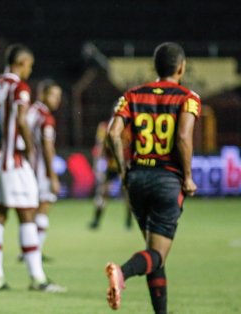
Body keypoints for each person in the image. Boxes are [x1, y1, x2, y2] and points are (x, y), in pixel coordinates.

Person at [105, 42, 200, 313]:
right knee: (157, 254)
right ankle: (121, 272)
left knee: (154, 254)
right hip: (167, 181)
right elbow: (183, 136)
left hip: (137, 179)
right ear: (181, 67)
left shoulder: (133, 94)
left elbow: (113, 133)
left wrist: (124, 170)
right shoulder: (187, 97)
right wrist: (189, 177)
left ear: (154, 67)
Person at [0, 44, 66, 293]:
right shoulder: (19, 88)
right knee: (27, 216)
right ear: (22, 63)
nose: (30, 70)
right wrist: (30, 150)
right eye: (29, 65)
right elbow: (20, 120)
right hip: (13, 161)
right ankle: (37, 278)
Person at [25, 79, 62, 259]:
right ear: (43, 94)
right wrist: (52, 175)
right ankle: (34, 251)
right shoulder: (46, 117)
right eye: (54, 95)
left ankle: (30, 248)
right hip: (40, 170)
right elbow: (47, 148)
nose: (57, 100)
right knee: (43, 208)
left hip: (26, 168)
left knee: (31, 212)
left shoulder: (31, 111)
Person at [88, 120, 132, 230]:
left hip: (125, 165)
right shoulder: (105, 127)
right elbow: (100, 146)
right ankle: (96, 220)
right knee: (103, 192)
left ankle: (129, 221)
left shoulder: (129, 128)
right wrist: (98, 164)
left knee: (128, 194)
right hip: (111, 165)